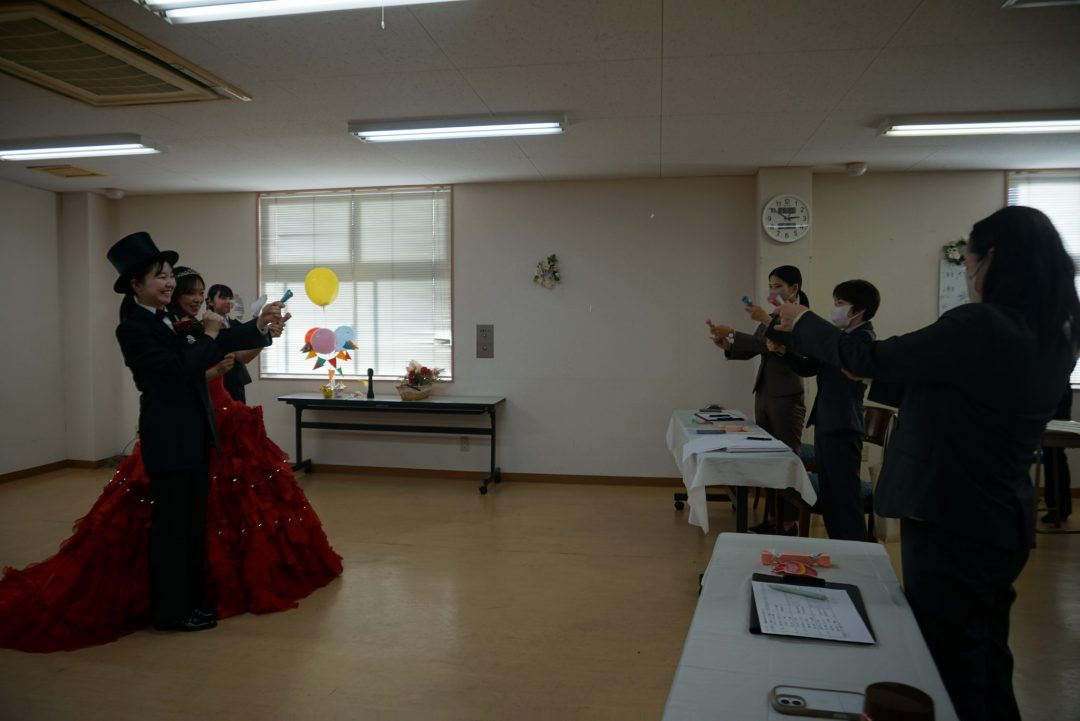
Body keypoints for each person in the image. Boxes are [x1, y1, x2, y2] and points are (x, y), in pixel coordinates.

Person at [772, 206, 1079, 721]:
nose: (969, 276)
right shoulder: (1054, 331)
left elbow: (874, 358)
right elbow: (948, 387)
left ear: (993, 260)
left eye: (970, 264)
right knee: (985, 654)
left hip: (949, 512)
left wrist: (803, 321)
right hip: (999, 514)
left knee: (949, 661)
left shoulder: (981, 324)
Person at [0, 247, 341, 652]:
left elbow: (219, 342)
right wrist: (210, 334)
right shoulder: (134, 328)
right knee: (173, 529)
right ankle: (171, 611)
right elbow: (183, 366)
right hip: (169, 438)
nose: (168, 283)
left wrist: (260, 327)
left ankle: (189, 600)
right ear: (136, 285)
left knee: (191, 525)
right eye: (160, 276)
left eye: (168, 275)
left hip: (193, 436)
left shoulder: (169, 320)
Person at [708, 265, 809, 534]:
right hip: (765, 392)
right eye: (771, 286)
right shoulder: (773, 316)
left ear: (794, 288)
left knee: (785, 461)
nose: (773, 291)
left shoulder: (800, 317)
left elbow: (786, 346)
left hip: (786, 396)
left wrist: (741, 329)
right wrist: (729, 343)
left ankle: (788, 523)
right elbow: (759, 346)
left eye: (778, 286)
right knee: (767, 460)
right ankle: (773, 518)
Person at [780, 280, 879, 542]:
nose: (834, 308)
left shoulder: (862, 340)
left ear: (859, 310)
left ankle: (858, 553)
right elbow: (807, 368)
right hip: (828, 423)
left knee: (845, 501)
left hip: (843, 427)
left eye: (840, 303)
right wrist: (783, 351)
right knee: (831, 499)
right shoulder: (842, 340)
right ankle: (840, 549)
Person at [206, 283, 257, 403]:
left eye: (230, 298)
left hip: (236, 379)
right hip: (215, 380)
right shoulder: (205, 325)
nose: (228, 301)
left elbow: (246, 352)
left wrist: (257, 319)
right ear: (210, 302)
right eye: (223, 298)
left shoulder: (235, 324)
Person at [1043, 382, 1073, 525]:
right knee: (1056, 458)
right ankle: (1060, 508)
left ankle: (1057, 509)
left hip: (1054, 408)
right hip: (1058, 404)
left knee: (1053, 459)